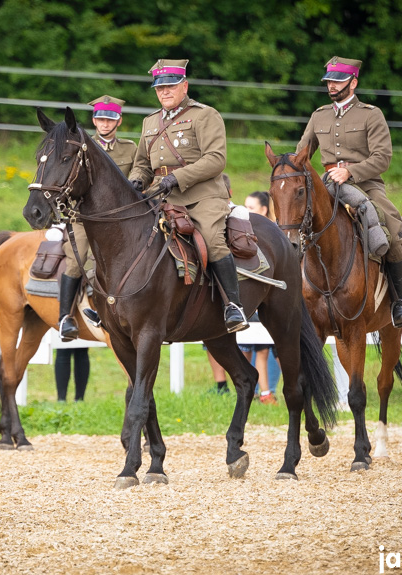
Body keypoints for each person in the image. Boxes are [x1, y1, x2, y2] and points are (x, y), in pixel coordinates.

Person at [128, 58, 248, 332]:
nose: (164, 92)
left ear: (184, 86)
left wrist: (177, 177)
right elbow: (142, 164)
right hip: (159, 194)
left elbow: (216, 159)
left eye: (170, 86)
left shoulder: (204, 115)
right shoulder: (149, 122)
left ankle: (233, 306)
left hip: (200, 195)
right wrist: (135, 181)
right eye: (160, 88)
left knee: (211, 239)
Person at [296, 56, 402, 329]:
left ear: (353, 82)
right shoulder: (319, 115)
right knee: (296, 225)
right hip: (327, 184)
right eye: (329, 82)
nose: (332, 86)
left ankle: (398, 303)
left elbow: (382, 157)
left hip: (366, 183)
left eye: (337, 81)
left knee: (392, 232)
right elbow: (302, 153)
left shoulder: (371, 114)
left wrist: (351, 172)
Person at [57, 95, 137, 341]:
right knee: (76, 258)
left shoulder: (130, 149)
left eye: (109, 119)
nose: (104, 124)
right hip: (84, 218)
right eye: (100, 119)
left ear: (118, 121)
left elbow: (136, 183)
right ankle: (65, 318)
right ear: (94, 120)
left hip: (118, 222)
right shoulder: (82, 146)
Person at [242, 191, 282, 405]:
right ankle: (257, 391)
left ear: (264, 209)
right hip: (253, 296)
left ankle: (266, 391)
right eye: (245, 207)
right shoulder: (245, 231)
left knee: (266, 350)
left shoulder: (274, 232)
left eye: (251, 207)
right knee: (251, 348)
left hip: (270, 296)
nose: (246, 211)